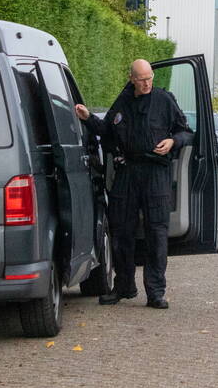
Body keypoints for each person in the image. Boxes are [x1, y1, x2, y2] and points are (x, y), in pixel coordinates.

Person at [75, 59, 193, 309]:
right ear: (132, 79)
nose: (147, 83)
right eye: (141, 79)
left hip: (156, 173)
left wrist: (173, 141)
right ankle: (124, 287)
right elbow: (105, 131)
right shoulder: (123, 102)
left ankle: (156, 293)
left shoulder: (164, 100)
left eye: (149, 78)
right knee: (121, 233)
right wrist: (87, 118)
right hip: (127, 172)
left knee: (157, 234)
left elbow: (186, 132)